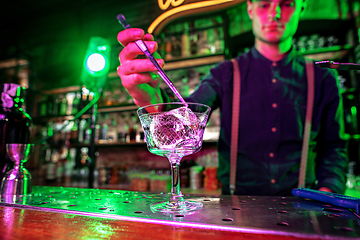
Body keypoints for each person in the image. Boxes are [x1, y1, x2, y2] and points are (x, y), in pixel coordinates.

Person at [117, 0, 348, 195]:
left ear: (302, 7)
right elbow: (185, 116)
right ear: (250, 8)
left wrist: (328, 193)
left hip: (303, 204)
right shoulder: (225, 73)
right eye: (265, 4)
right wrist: (149, 96)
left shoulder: (323, 78)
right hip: (237, 208)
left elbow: (334, 146)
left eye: (286, 4)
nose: (274, 13)